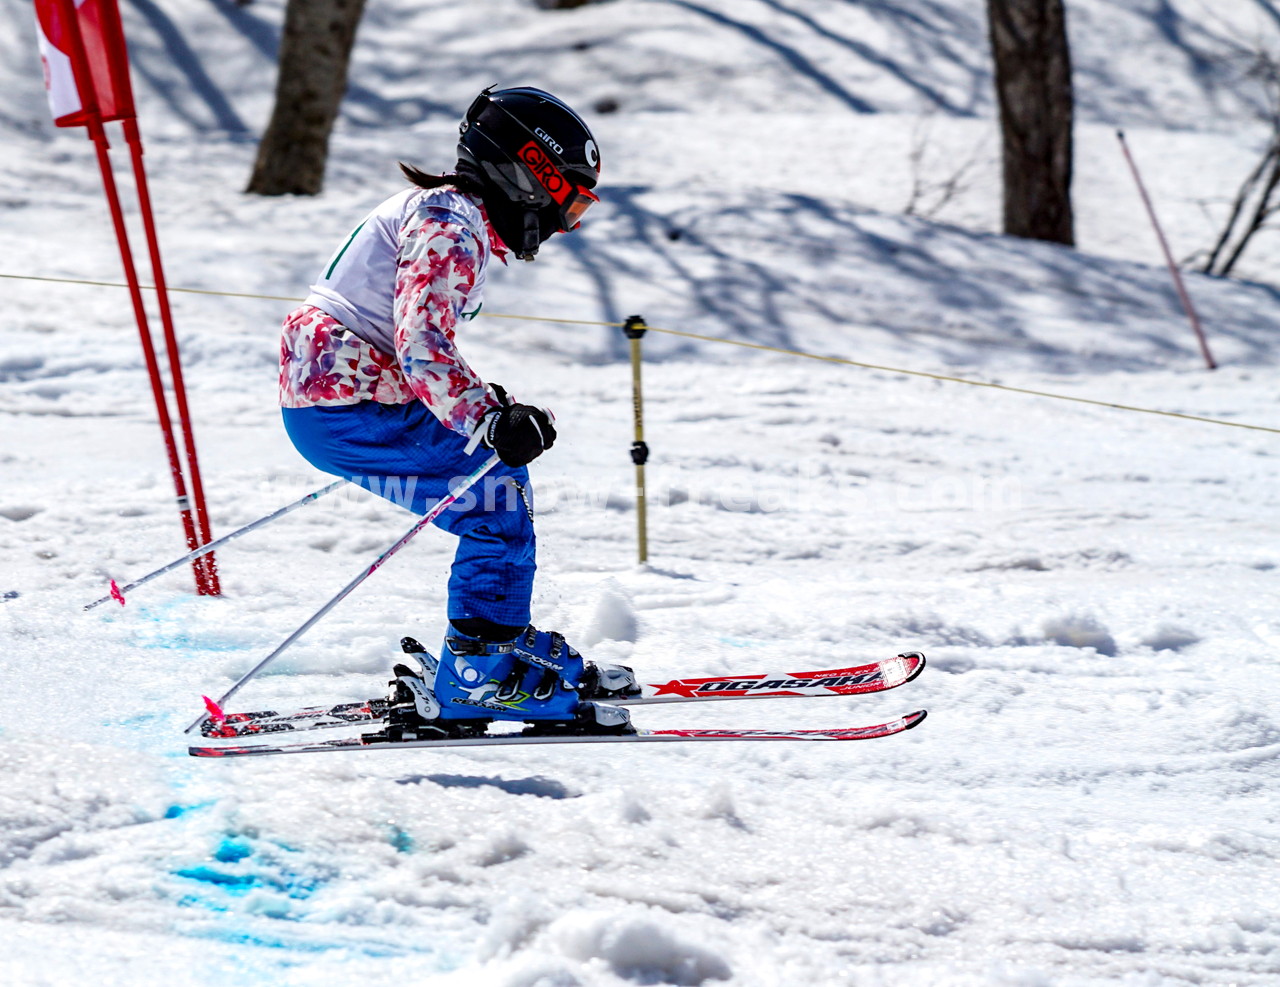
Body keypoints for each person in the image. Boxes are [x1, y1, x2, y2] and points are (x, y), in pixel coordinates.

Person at [278, 87, 637, 738]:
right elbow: (421, 347)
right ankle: (479, 675)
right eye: (572, 201)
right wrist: (487, 418)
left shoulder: (449, 215)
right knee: (495, 497)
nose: (567, 224)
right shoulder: (450, 224)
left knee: (496, 487)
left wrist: (491, 409)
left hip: (342, 392)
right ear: (532, 176)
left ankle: (495, 647)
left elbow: (415, 344)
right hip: (350, 399)